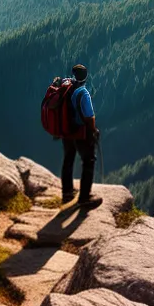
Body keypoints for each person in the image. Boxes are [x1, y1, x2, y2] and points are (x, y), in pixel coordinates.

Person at [61, 63, 103, 210]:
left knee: (68, 158)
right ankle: (84, 198)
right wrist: (94, 131)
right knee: (88, 161)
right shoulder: (83, 93)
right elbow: (89, 116)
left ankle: (67, 193)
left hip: (66, 131)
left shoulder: (66, 86)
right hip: (80, 132)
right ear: (85, 77)